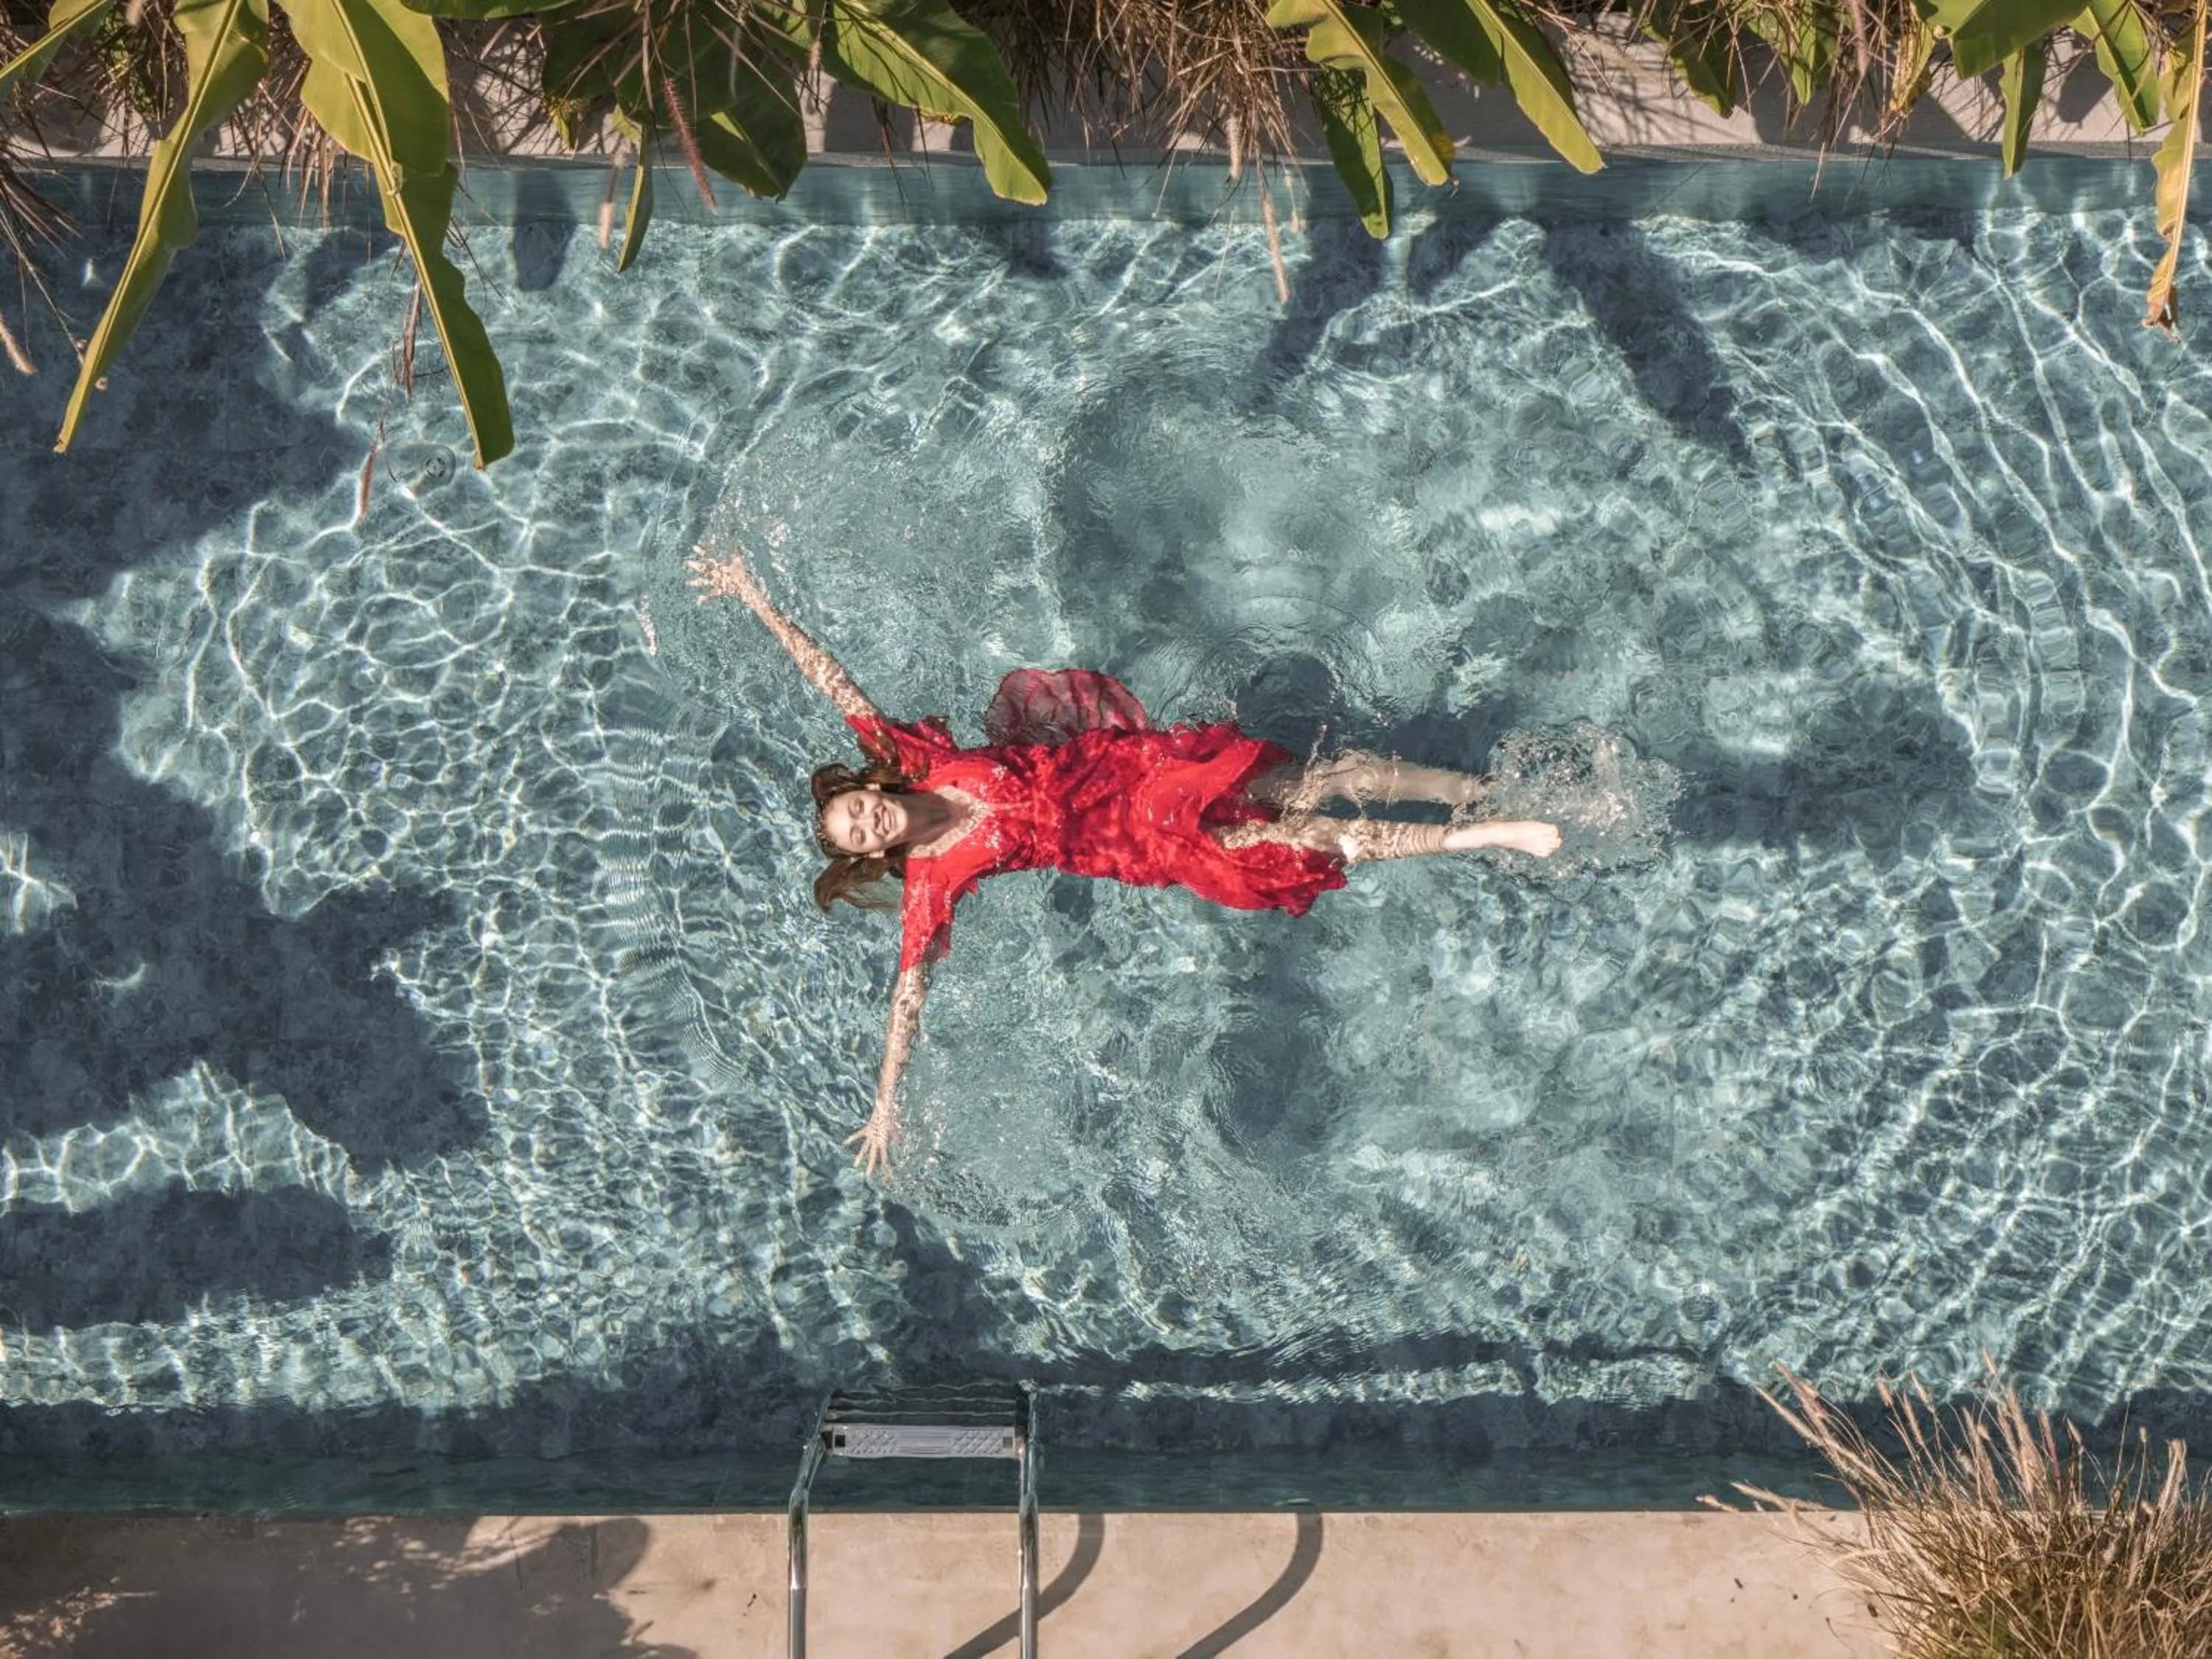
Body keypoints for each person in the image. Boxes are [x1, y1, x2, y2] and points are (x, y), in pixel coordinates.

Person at [687, 542, 1560, 1176]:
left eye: (855, 809)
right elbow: (907, 994)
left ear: (864, 788)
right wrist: (885, 1104)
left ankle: (1467, 791)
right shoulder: (932, 880)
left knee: (1321, 780)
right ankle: (1476, 836)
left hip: (1146, 770)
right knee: (1305, 836)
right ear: (871, 853)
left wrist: (754, 598)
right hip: (1143, 843)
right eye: (858, 836)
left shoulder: (914, 758)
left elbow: (832, 679)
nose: (869, 822)